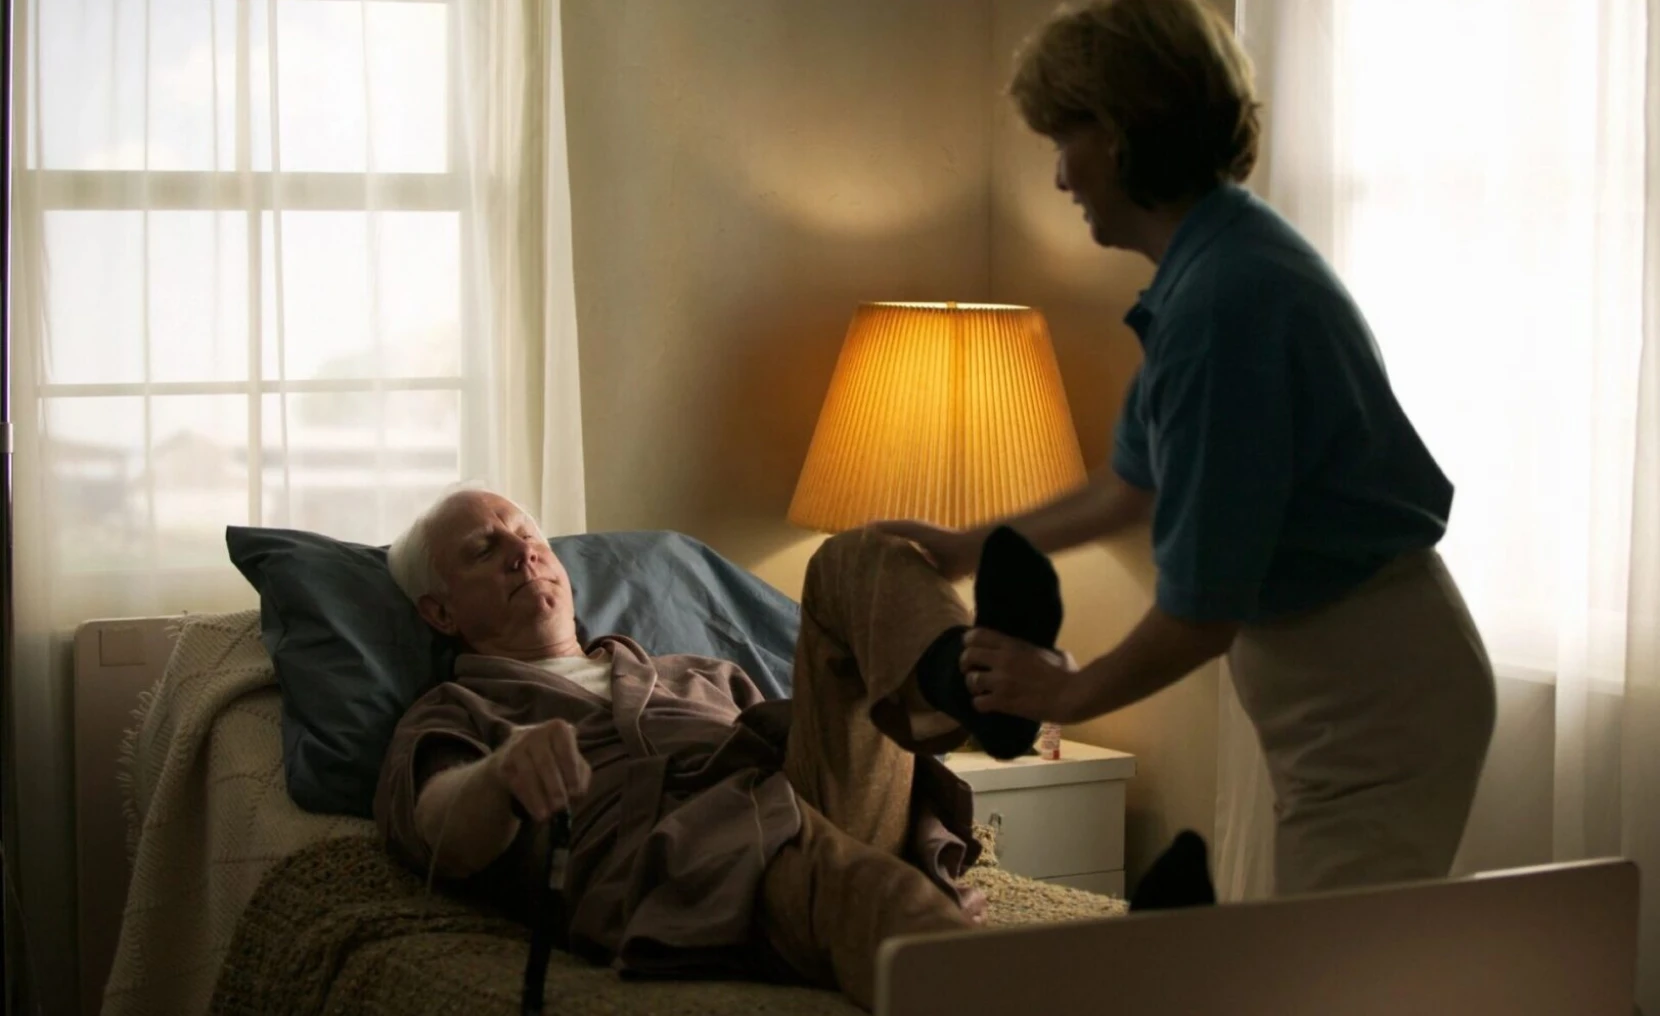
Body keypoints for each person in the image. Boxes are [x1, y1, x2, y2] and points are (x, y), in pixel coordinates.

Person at [876, 0, 1496, 897]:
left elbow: (1203, 613)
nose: (1059, 177)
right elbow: (1128, 490)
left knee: (1334, 978)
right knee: (1336, 966)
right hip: (1357, 683)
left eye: (1066, 138)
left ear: (1124, 134)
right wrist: (970, 547)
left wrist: (1067, 695)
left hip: (1373, 694)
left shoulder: (1223, 309)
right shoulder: (1212, 269)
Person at [374, 488, 1067, 1008]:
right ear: (439, 612)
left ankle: (976, 686)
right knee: (864, 888)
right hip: (690, 869)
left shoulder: (695, 672)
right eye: (483, 550)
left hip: (797, 800)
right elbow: (440, 827)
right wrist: (500, 776)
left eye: (529, 536)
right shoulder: (458, 709)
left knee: (857, 553)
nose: (522, 551)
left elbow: (831, 756)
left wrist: (929, 860)